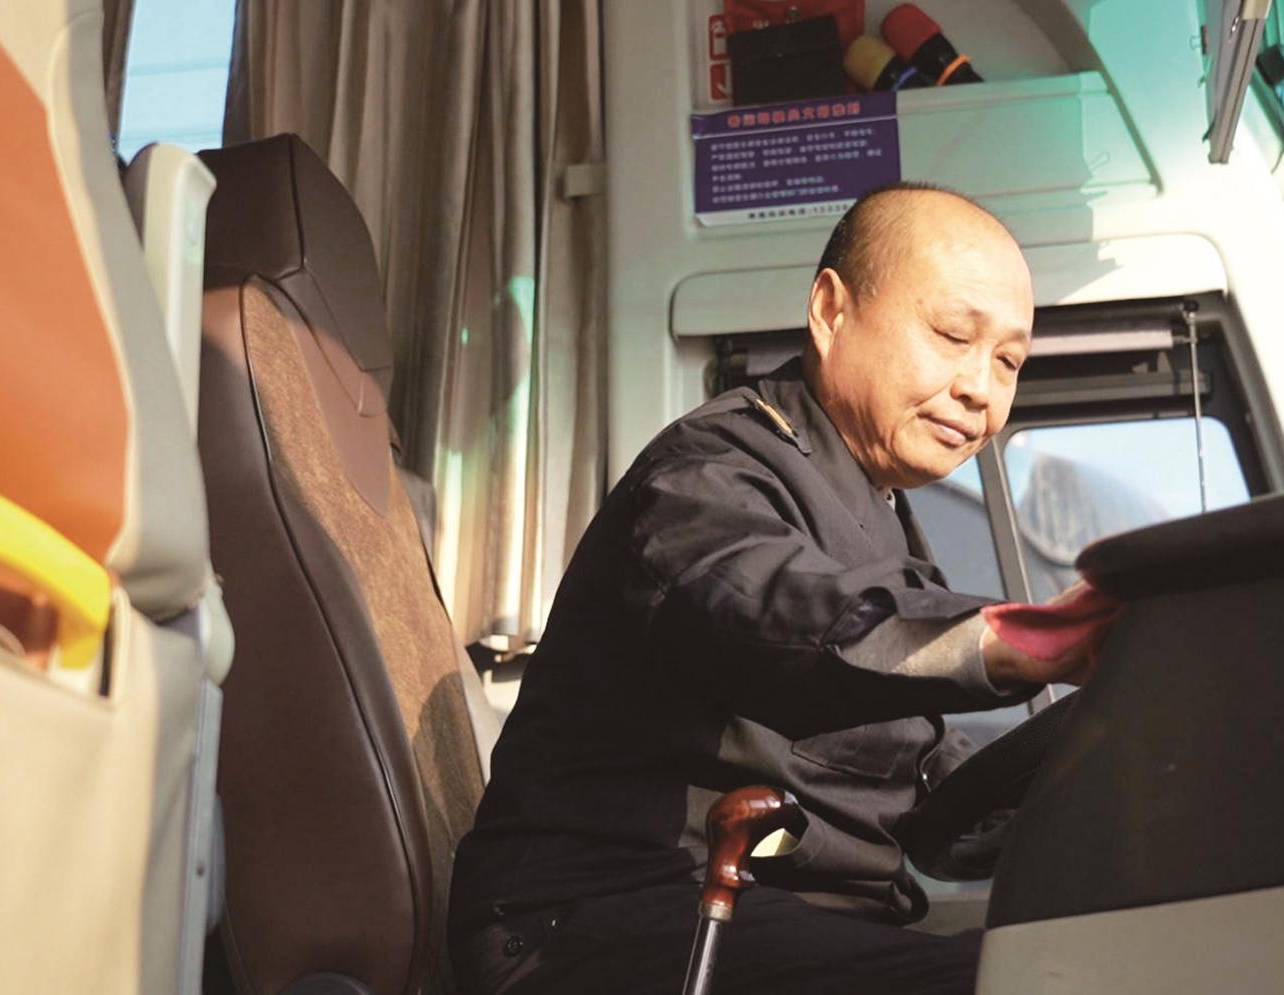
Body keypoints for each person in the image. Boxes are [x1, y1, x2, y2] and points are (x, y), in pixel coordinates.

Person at [448, 182, 1102, 994]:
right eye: (951, 334)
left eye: (1008, 361)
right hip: (598, 918)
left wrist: (1115, 777)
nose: (981, 386)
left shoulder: (881, 517)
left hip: (791, 915)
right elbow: (777, 614)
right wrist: (1035, 638)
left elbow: (930, 801)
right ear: (830, 311)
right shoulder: (709, 471)